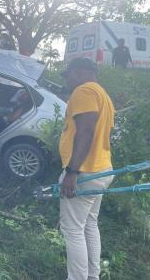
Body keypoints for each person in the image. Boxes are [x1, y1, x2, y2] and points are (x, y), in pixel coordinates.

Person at [59, 58, 115, 280]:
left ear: (81, 72)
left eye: (69, 74)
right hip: (101, 169)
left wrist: (72, 172)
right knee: (89, 225)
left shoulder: (83, 91)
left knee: (72, 230)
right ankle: (93, 276)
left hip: (84, 172)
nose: (67, 79)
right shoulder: (102, 94)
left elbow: (86, 131)